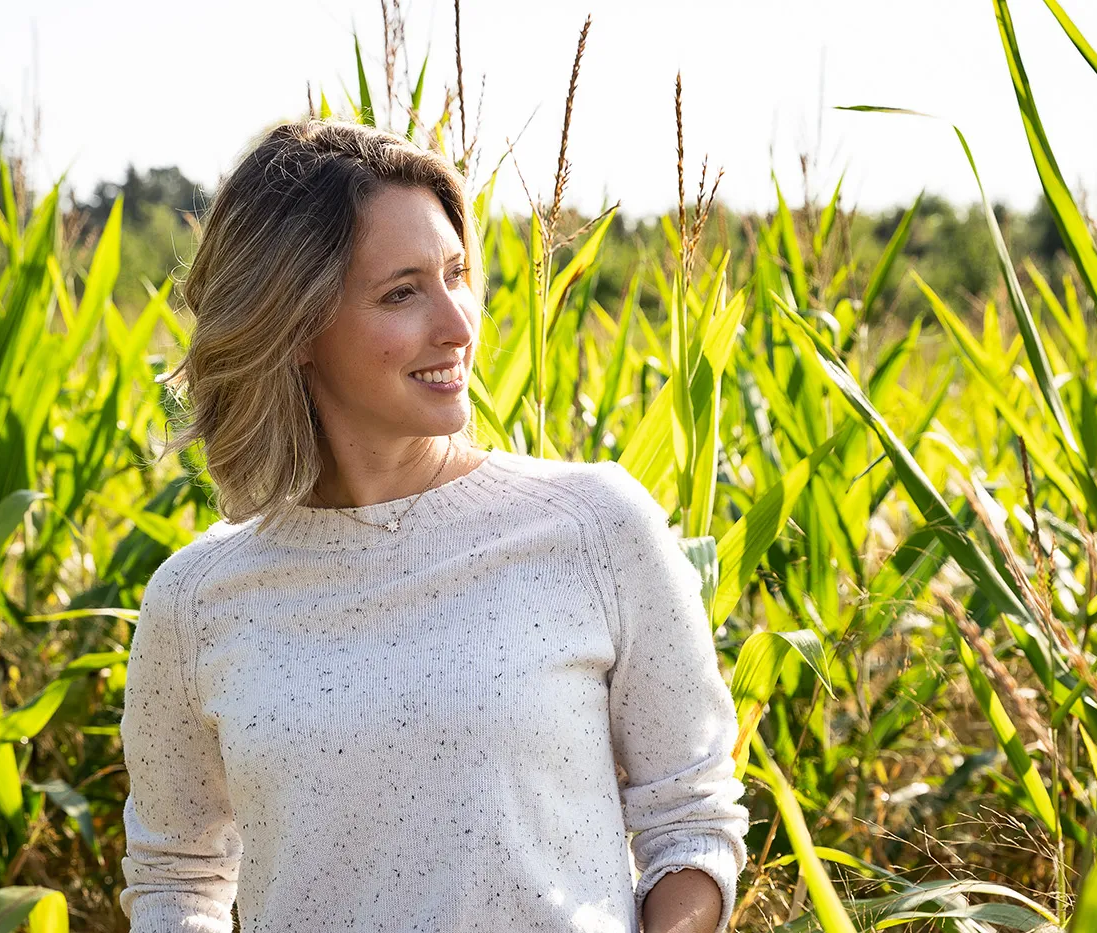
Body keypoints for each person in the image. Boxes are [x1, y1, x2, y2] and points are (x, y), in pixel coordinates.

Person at [117, 116, 749, 933]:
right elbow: (177, 880)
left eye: (457, 274)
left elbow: (691, 823)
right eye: (402, 291)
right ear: (296, 325)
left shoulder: (594, 527)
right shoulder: (197, 602)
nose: (458, 324)